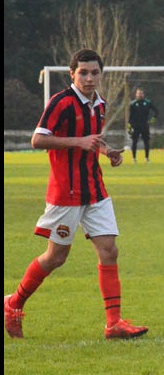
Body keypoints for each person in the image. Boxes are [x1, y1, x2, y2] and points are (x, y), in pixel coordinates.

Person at [4, 49, 148, 340]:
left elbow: (91, 140)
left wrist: (107, 151)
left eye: (94, 72)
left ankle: (114, 323)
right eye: (83, 72)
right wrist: (77, 142)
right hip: (66, 193)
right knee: (56, 257)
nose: (89, 77)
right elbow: (37, 139)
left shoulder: (100, 103)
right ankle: (12, 304)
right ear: (72, 74)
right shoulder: (61, 102)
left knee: (109, 250)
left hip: (95, 189)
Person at [128, 87, 158, 164]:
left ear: (143, 94)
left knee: (146, 141)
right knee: (134, 142)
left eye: (141, 93)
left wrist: (152, 120)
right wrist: (129, 127)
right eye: (138, 93)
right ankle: (134, 158)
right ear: (136, 94)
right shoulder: (133, 104)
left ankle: (147, 158)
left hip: (144, 125)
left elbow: (156, 112)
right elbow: (130, 117)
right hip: (135, 126)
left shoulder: (147, 103)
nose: (140, 95)